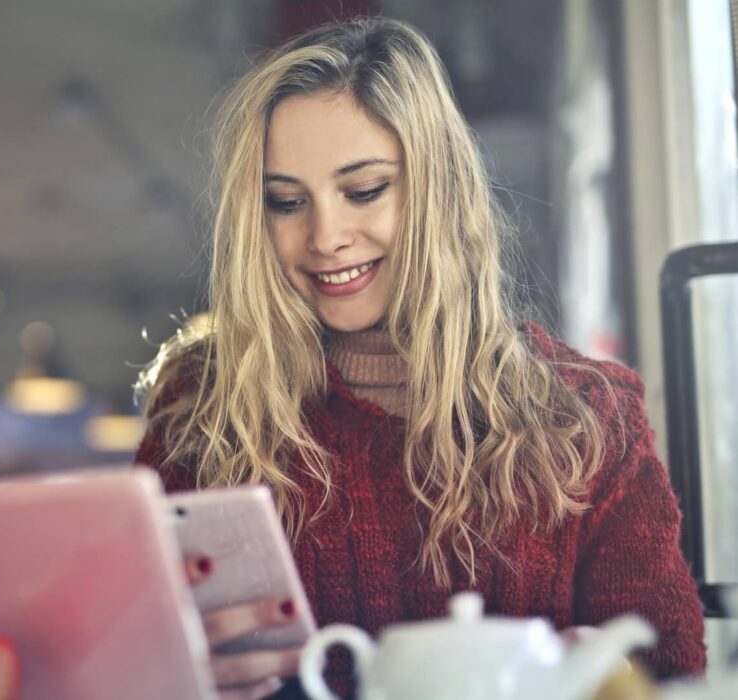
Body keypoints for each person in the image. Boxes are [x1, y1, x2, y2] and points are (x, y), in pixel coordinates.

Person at [133, 17, 706, 700]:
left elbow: (671, 670)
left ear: (440, 189)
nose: (326, 236)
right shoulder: (202, 402)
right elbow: (120, 654)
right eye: (286, 202)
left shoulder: (587, 413)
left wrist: (608, 675)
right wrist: (172, 671)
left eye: (365, 190)